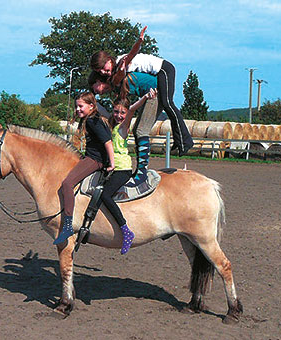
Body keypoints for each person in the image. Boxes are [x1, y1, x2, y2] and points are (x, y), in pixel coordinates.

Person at [90, 26, 194, 157]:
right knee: (161, 110)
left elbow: (133, 53)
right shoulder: (116, 73)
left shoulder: (122, 62)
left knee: (168, 104)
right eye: (101, 72)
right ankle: (179, 141)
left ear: (109, 60)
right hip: (156, 77)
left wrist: (139, 41)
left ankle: (185, 141)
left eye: (104, 69)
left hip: (164, 69)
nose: (104, 72)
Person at [54, 92, 115, 245]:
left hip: (95, 160)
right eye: (76, 106)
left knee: (67, 184)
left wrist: (111, 163)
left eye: (81, 106)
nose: (78, 109)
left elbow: (108, 142)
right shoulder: (91, 119)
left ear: (91, 106)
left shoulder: (93, 122)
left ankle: (68, 225)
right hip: (91, 157)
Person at [101, 89, 157, 254]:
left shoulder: (123, 127)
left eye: (122, 112)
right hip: (110, 167)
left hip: (122, 169)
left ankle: (125, 229)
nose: (119, 115)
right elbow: (99, 108)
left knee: (105, 195)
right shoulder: (110, 124)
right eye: (116, 111)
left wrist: (145, 97)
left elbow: (132, 109)